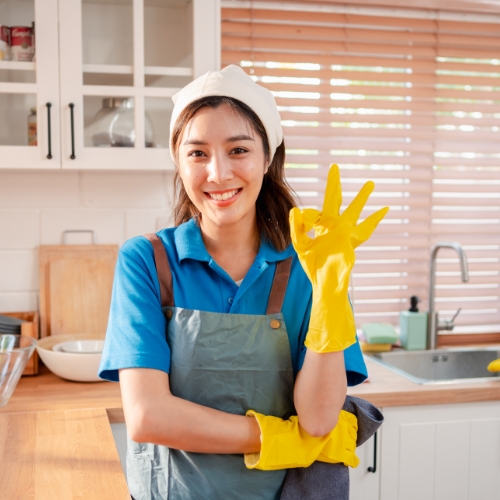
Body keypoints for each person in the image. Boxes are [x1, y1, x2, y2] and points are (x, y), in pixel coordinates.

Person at [99, 65, 387, 500]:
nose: (218, 173)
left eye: (238, 150)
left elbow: (318, 420)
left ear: (267, 158)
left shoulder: (312, 265)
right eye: (198, 153)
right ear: (178, 160)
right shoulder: (148, 262)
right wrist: (274, 439)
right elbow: (147, 416)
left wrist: (330, 293)